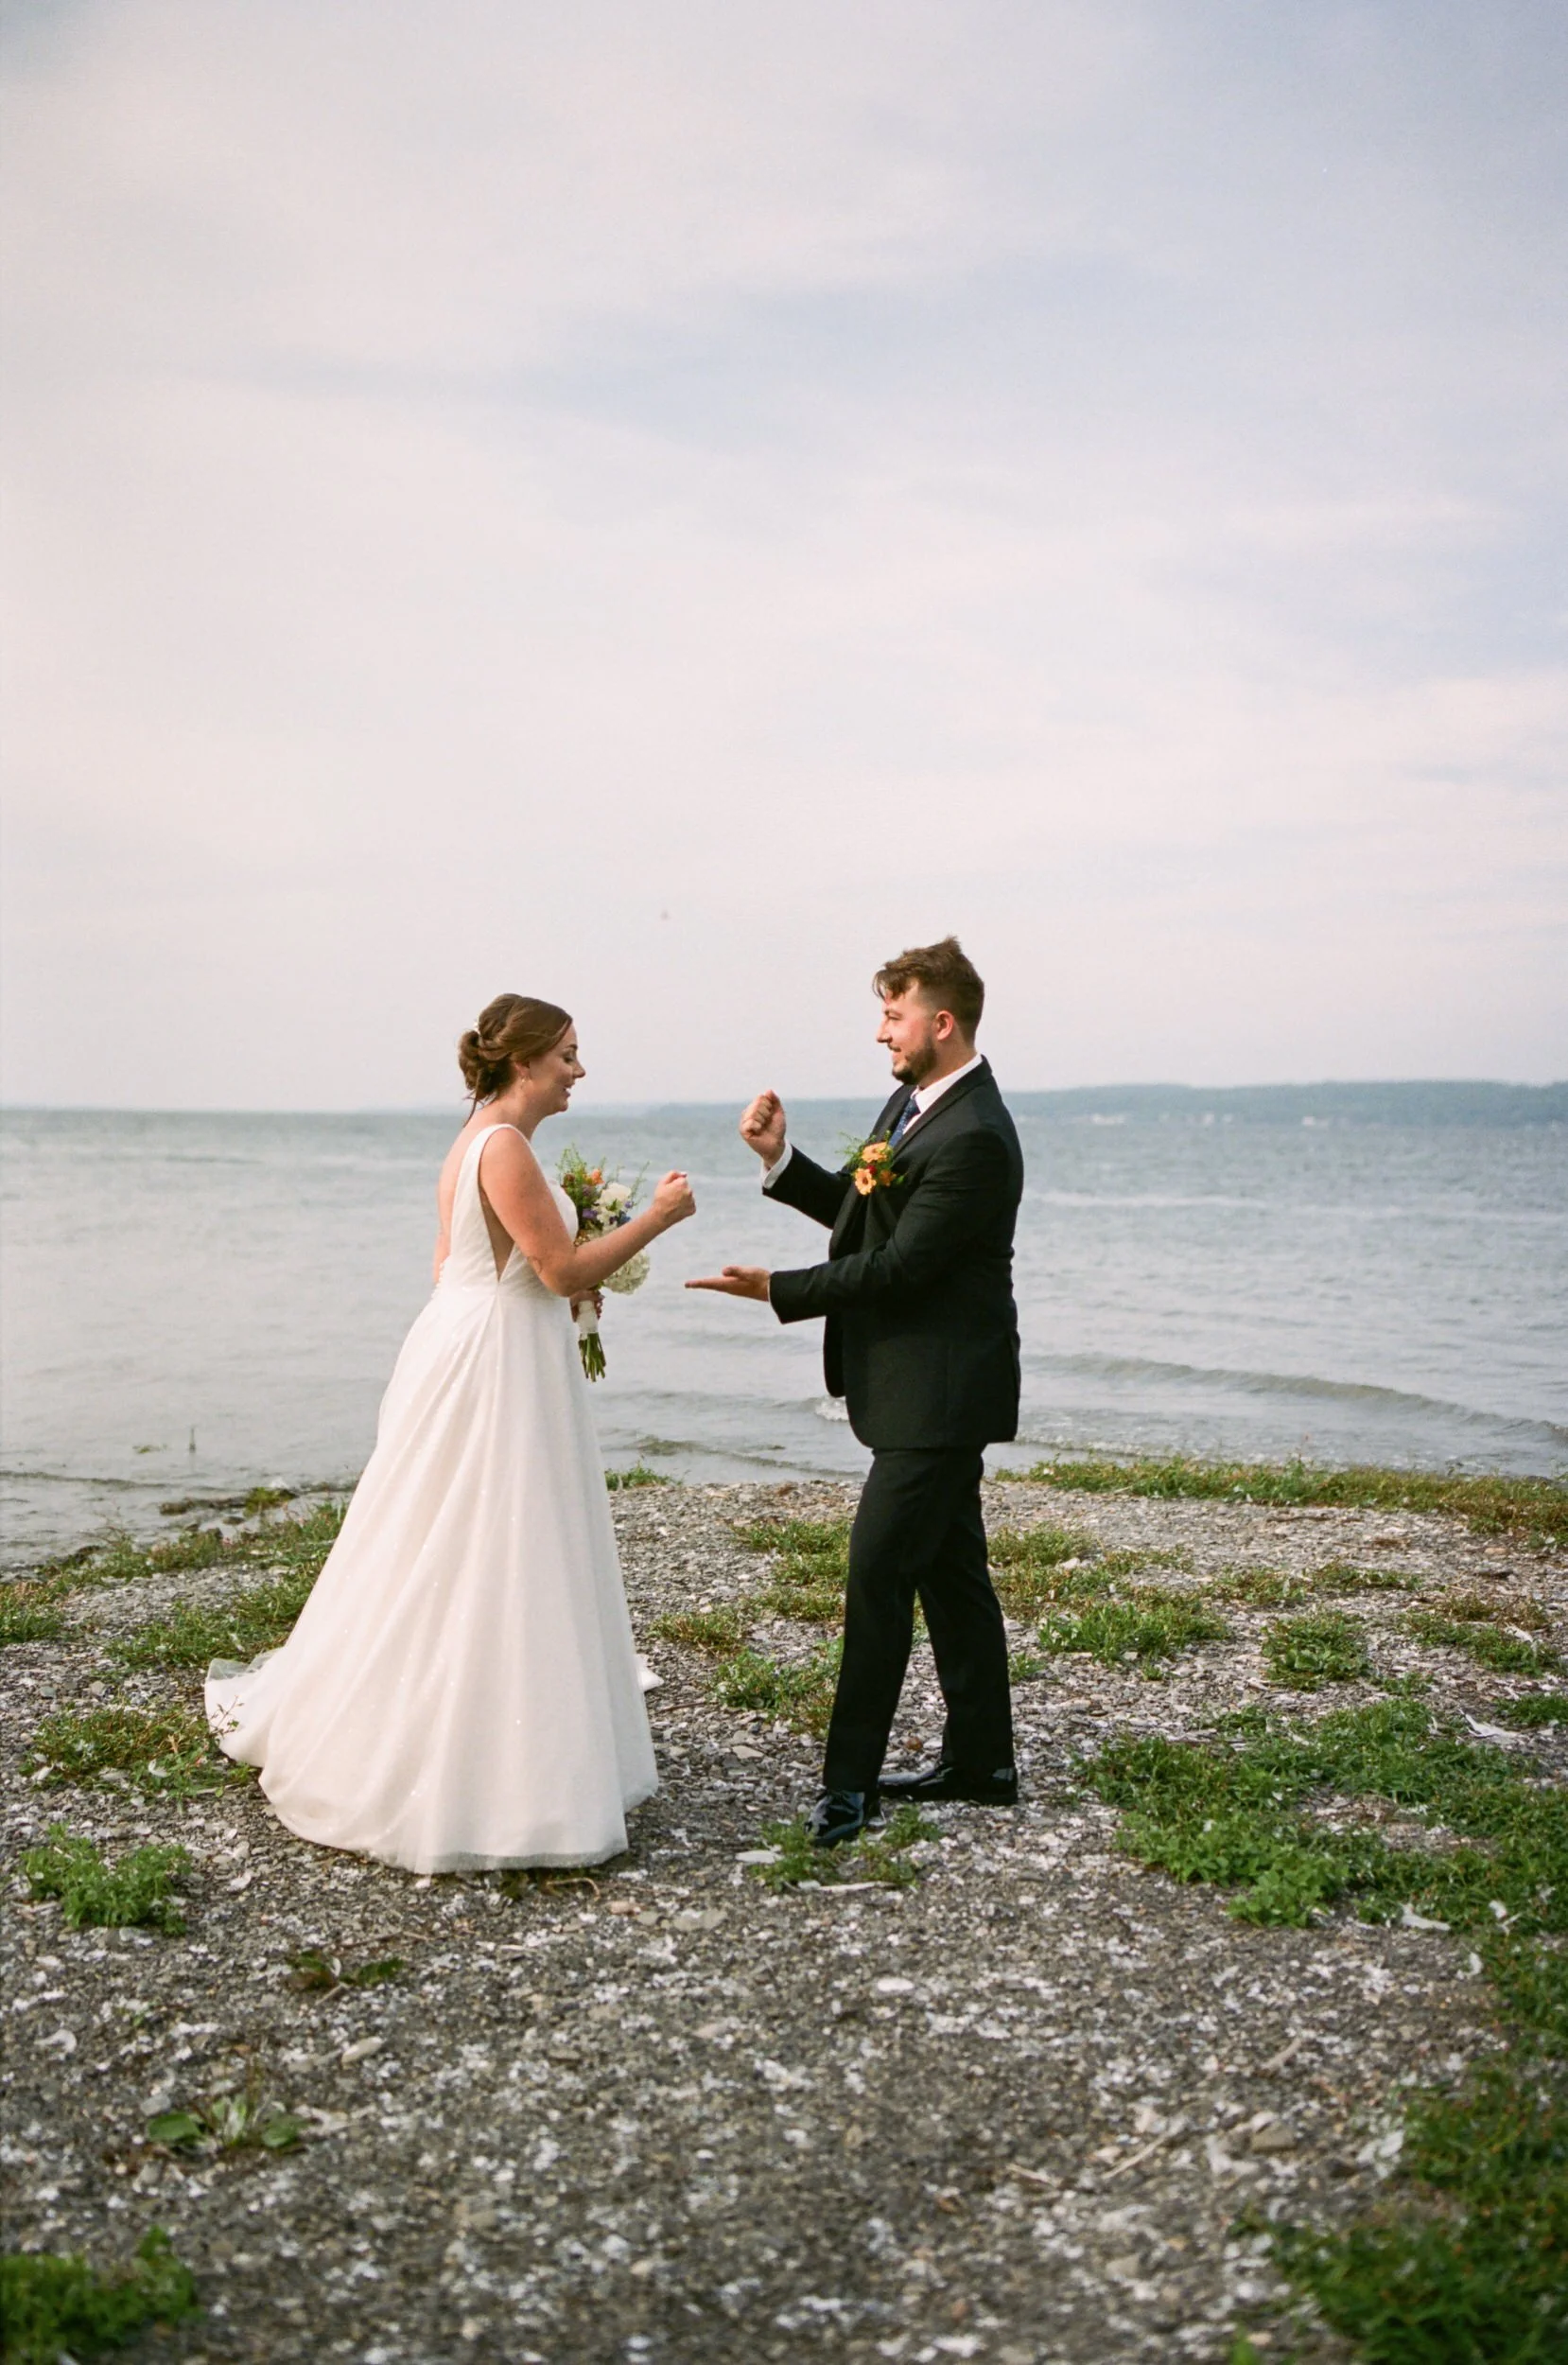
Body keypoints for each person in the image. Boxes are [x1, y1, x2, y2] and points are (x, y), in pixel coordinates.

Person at [205, 994, 696, 1874]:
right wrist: (655, 1217)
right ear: (526, 1062)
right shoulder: (503, 1147)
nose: (579, 1070)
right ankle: (476, 1762)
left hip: (478, 1339)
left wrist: (541, 1296)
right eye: (568, 1055)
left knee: (464, 1536)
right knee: (487, 1537)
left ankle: (495, 1729)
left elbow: (456, 1264)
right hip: (495, 1362)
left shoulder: (475, 1140)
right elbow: (557, 1269)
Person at [688, 937, 1024, 1848]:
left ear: (941, 1023)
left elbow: (903, 1267)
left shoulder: (977, 1135)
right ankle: (983, 1764)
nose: (881, 1033)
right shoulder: (917, 1105)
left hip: (940, 1396)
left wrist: (780, 1289)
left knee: (878, 1577)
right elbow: (865, 1210)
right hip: (919, 1391)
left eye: (893, 1015)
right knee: (952, 1578)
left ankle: (849, 1786)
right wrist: (781, 1160)